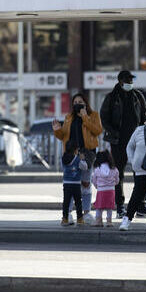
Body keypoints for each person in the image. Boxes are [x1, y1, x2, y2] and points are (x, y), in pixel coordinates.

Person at [100, 70, 146, 218]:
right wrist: (114, 133)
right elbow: (104, 118)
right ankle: (120, 206)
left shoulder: (138, 96)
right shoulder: (112, 97)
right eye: (127, 80)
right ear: (120, 81)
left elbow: (144, 116)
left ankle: (140, 204)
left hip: (136, 141)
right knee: (118, 174)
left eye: (131, 80)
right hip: (118, 141)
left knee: (139, 172)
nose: (130, 82)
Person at [53, 93, 102, 224]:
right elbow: (63, 136)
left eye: (80, 102)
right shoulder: (69, 117)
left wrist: (85, 116)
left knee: (86, 184)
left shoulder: (94, 115)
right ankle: (68, 214)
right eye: (75, 102)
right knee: (70, 185)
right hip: (70, 155)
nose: (77, 104)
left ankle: (86, 212)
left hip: (86, 153)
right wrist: (57, 130)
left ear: (86, 103)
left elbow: (97, 131)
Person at [61, 141, 88, 226]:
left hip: (66, 183)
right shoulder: (77, 159)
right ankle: (79, 219)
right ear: (75, 150)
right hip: (76, 183)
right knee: (78, 202)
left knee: (66, 201)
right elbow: (85, 167)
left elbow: (63, 167)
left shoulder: (63, 158)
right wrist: (82, 158)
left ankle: (65, 219)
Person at [91, 150, 119, 227]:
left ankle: (98, 221)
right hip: (111, 190)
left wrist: (97, 186)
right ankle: (109, 221)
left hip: (101, 190)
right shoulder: (114, 169)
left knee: (99, 207)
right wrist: (113, 184)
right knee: (109, 207)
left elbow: (93, 180)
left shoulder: (97, 169)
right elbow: (117, 180)